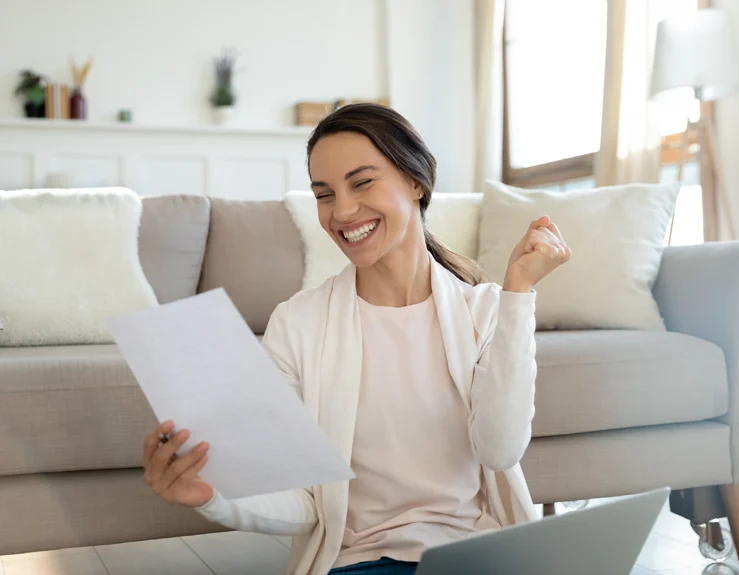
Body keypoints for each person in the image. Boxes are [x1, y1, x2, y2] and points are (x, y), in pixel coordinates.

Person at [141, 103, 571, 575]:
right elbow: (306, 501)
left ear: (416, 181)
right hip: (365, 562)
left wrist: (518, 296)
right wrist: (213, 496)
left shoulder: (489, 310)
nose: (342, 211)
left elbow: (500, 449)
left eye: (362, 182)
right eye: (324, 194)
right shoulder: (298, 324)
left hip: (476, 555)